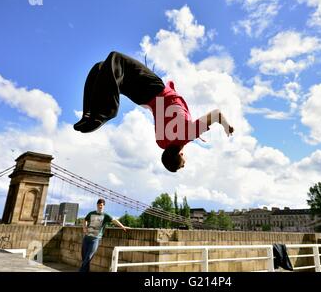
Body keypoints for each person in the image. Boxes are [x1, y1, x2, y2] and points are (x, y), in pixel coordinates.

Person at [74, 51, 234, 172]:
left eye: (184, 162)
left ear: (181, 155)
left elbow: (216, 114)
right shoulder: (161, 143)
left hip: (153, 89)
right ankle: (88, 114)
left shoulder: (188, 134)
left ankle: (107, 112)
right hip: (142, 99)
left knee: (116, 59)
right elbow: (160, 117)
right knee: (101, 69)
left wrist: (227, 126)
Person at [79, 198, 128, 272]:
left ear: (104, 206)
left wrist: (122, 226)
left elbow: (114, 220)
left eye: (101, 205)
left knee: (88, 257)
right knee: (84, 259)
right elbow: (85, 220)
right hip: (86, 238)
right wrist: (84, 228)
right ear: (97, 205)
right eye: (99, 205)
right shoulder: (91, 213)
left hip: (95, 239)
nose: (100, 206)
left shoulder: (105, 215)